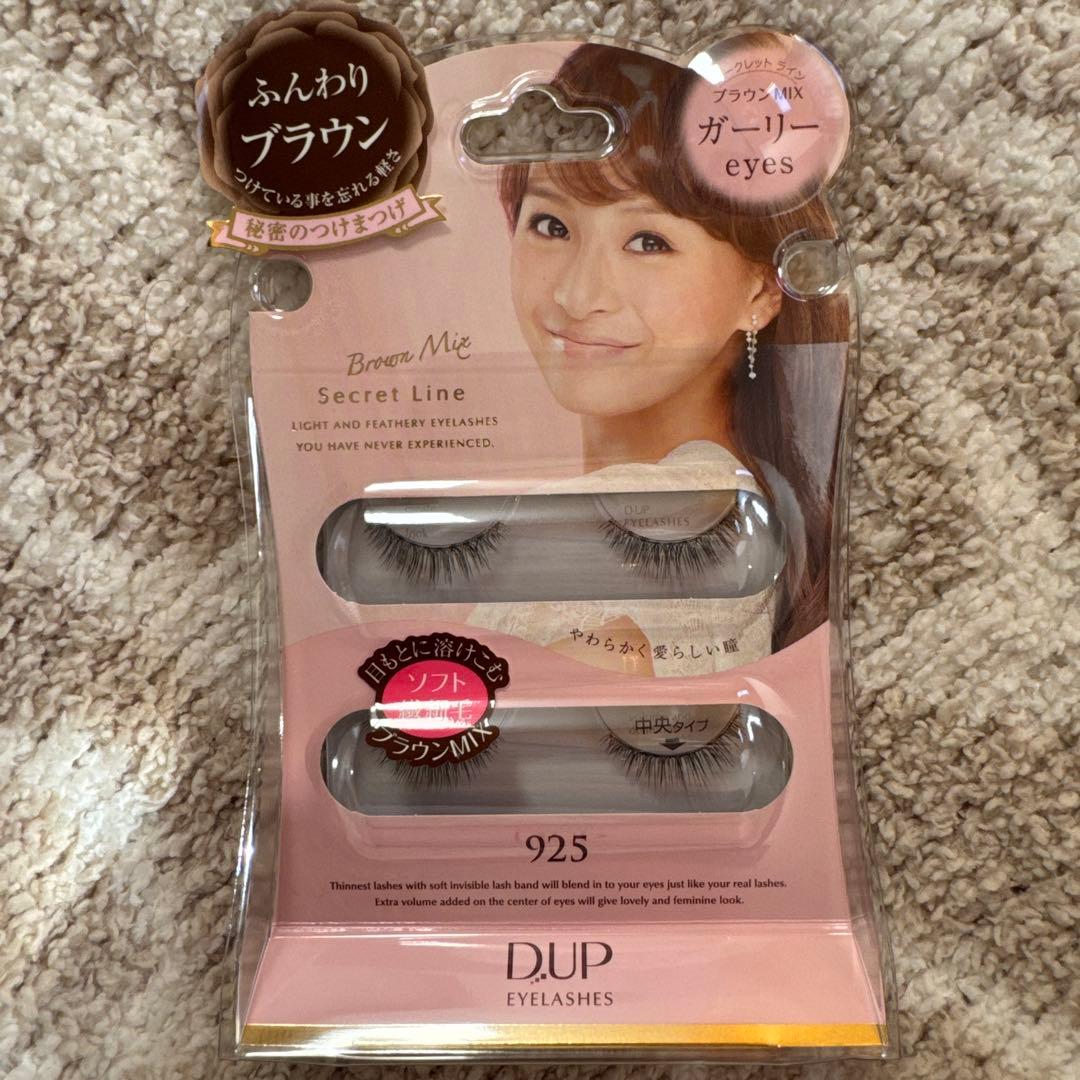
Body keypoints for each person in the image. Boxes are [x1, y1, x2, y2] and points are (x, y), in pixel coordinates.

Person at [498, 41, 848, 649]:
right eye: (551, 226)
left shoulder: (648, 529)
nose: (578, 296)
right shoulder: (746, 515)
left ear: (763, 290)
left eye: (648, 242)